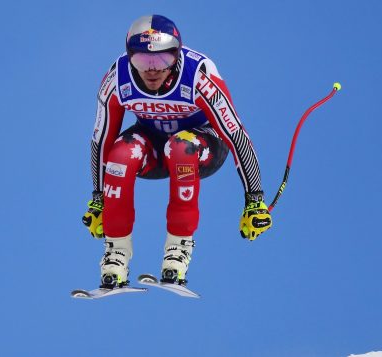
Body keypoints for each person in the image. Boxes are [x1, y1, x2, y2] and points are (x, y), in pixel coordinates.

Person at [82, 14, 272, 289]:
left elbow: (236, 135)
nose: (152, 70)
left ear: (176, 57)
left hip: (203, 146)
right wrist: (99, 198)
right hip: (154, 145)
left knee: (180, 146)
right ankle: (116, 255)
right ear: (129, 57)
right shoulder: (117, 79)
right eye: (142, 60)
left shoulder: (198, 75)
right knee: (122, 154)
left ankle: (177, 252)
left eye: (162, 60)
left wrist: (254, 199)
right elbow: (101, 140)